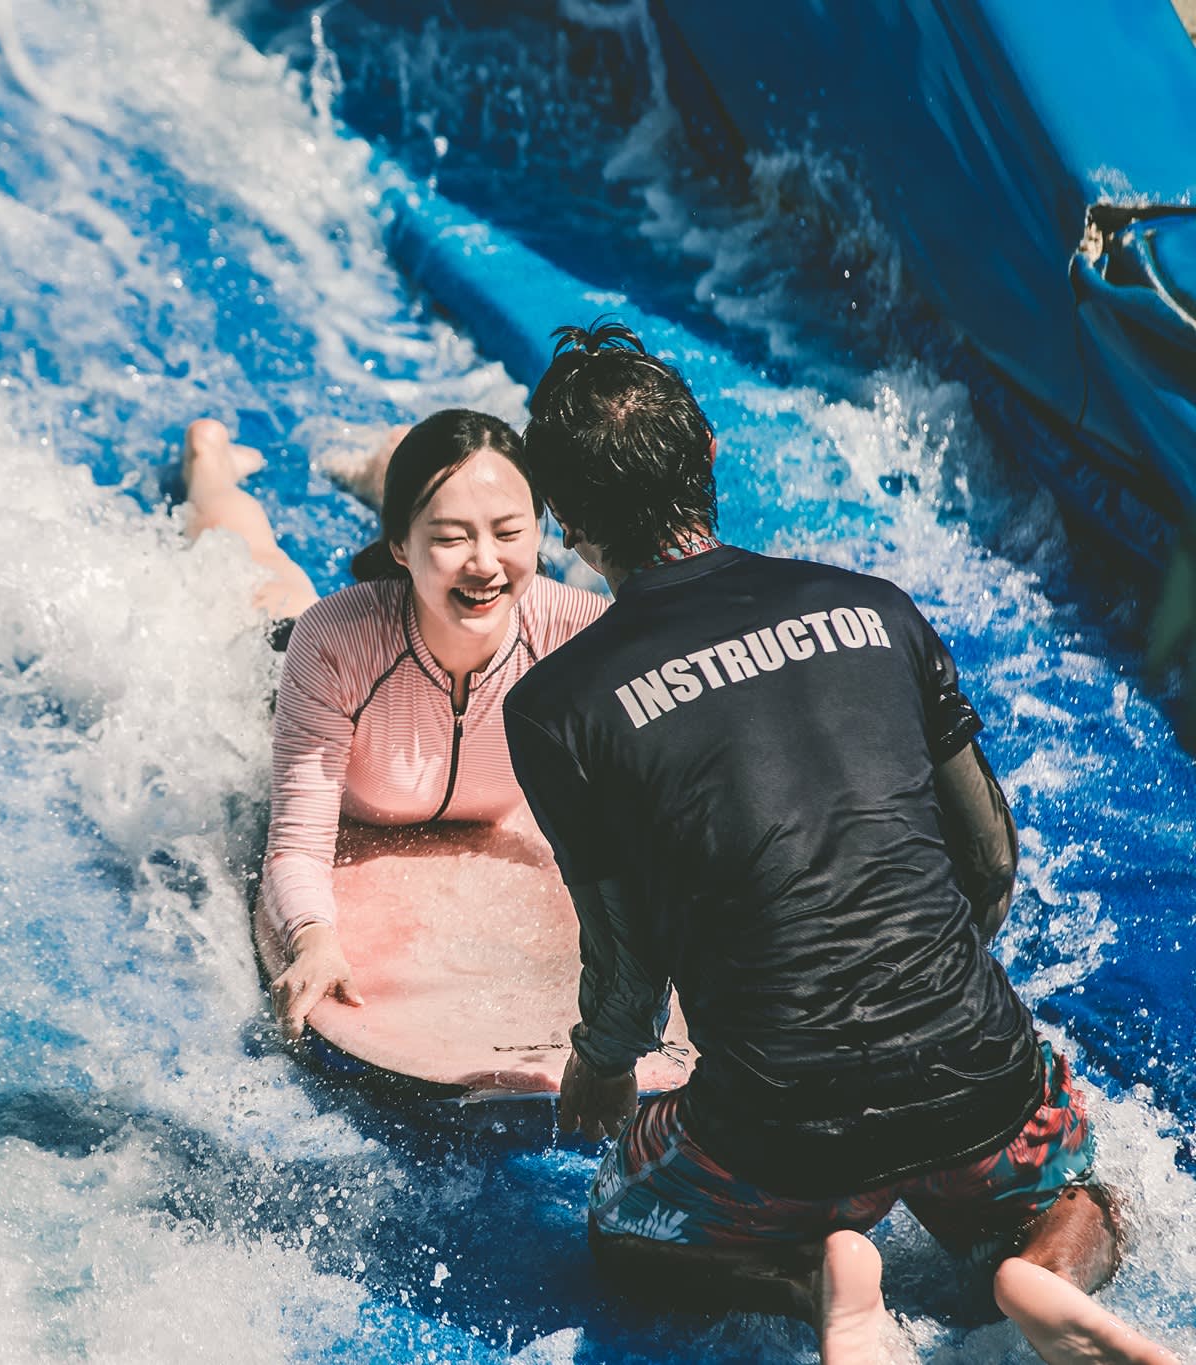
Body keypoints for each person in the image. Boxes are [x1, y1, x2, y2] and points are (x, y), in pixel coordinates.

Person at [501, 320, 1174, 1364]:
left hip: (779, 1133)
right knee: (1084, 1192)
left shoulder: (558, 706)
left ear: (565, 519)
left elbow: (624, 950)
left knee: (622, 1224)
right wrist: (918, 994)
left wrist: (602, 1062)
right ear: (709, 456)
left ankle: (813, 1277)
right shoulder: (875, 609)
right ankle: (1040, 1271)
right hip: (976, 1076)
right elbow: (990, 861)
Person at [178, 411, 608, 1040]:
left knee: (452, 489)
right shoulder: (332, 643)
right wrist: (314, 940)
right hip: (302, 659)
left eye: (509, 532)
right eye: (452, 537)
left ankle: (394, 464)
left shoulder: (580, 637)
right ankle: (209, 464)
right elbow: (297, 846)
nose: (486, 564)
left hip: (414, 580)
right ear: (400, 547)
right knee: (256, 563)